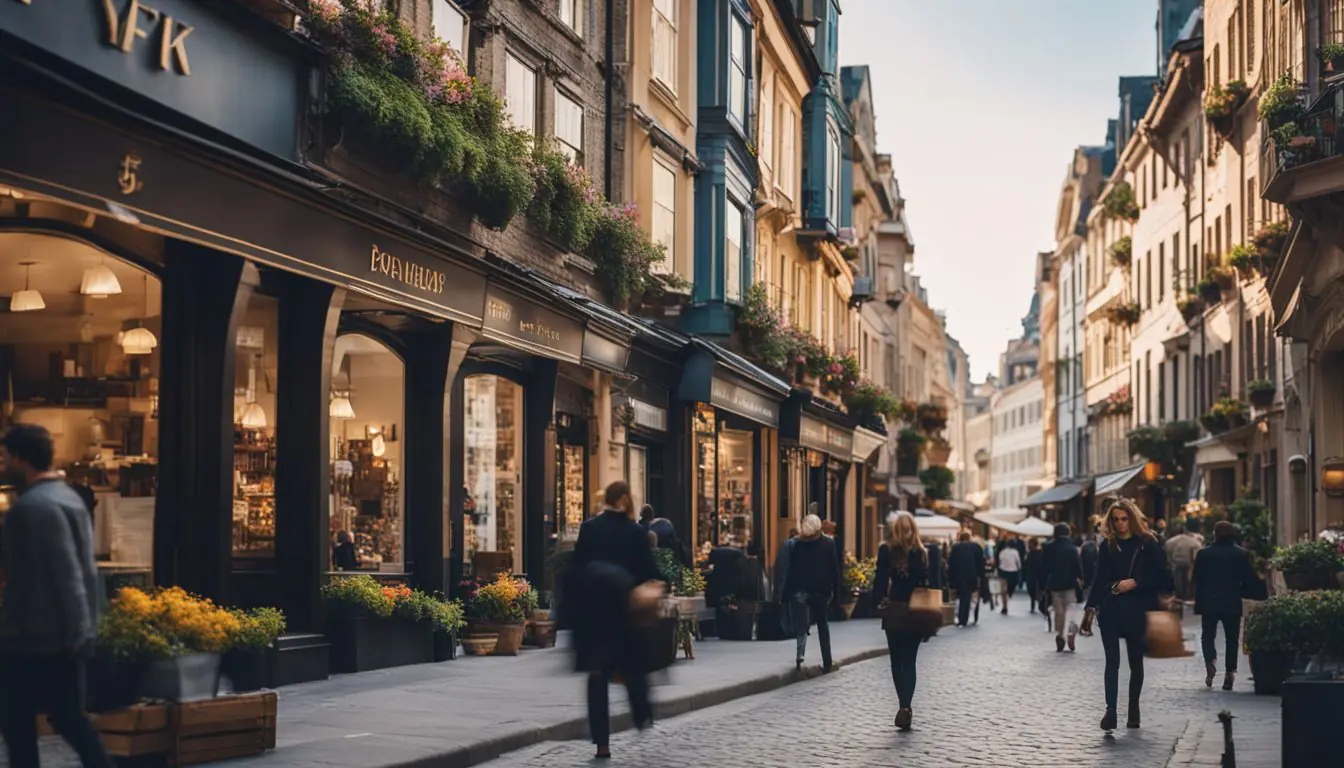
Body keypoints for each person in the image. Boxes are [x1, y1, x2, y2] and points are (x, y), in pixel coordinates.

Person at [0, 424, 114, 768]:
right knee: (67, 718)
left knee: (19, 723)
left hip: (35, 638)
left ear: (21, 458)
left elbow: (67, 577)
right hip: (57, 635)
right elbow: (83, 573)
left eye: (5, 459)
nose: (2, 466)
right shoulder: (66, 498)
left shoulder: (33, 508)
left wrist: (77, 633)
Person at [568, 481, 661, 760]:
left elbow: (577, 568)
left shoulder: (589, 528)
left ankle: (602, 744)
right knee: (633, 670)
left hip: (593, 618)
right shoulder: (635, 532)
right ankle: (642, 716)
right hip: (624, 616)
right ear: (623, 500)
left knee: (597, 679)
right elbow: (649, 572)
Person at [1079, 498, 1166, 731]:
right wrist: (1090, 609)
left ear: (1133, 518)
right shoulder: (1109, 544)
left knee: (1136, 662)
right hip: (1111, 609)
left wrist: (1135, 583)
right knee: (1112, 662)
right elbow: (1099, 578)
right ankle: (1111, 711)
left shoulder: (1148, 543)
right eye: (1115, 519)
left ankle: (1133, 709)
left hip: (1137, 610)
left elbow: (1163, 577)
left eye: (1124, 519)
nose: (1120, 524)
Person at [873, 513, 931, 731]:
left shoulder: (886, 550)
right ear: (914, 529)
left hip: (895, 609)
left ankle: (902, 705)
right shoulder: (922, 553)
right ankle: (906, 707)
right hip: (916, 610)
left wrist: (876, 602)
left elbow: (880, 579)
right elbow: (928, 583)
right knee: (910, 661)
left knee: (896, 660)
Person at [1193, 520, 1256, 691]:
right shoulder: (1241, 554)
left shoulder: (1204, 554)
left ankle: (1210, 662)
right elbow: (1248, 580)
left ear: (1214, 534)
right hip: (1232, 601)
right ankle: (1230, 672)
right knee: (1232, 639)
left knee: (1207, 636)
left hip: (1209, 601)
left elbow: (1196, 579)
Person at [773, 514, 840, 671]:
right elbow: (834, 570)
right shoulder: (828, 544)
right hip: (820, 592)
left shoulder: (796, 544)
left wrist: (785, 592)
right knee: (823, 624)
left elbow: (790, 569)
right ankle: (827, 661)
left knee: (801, 626)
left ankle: (800, 657)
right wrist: (834, 592)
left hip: (800, 591)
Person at [1041, 523, 1084, 652]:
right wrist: (1081, 579)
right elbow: (1077, 567)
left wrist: (1043, 586)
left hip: (1054, 584)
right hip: (1070, 584)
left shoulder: (1048, 548)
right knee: (1070, 611)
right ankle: (1070, 632)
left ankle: (1060, 634)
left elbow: (1044, 568)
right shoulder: (1072, 548)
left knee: (1058, 612)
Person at [947, 530, 985, 627]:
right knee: (970, 597)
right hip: (972, 575)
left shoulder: (956, 548)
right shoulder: (977, 547)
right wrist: (981, 576)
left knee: (963, 596)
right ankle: (969, 617)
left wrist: (951, 578)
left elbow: (951, 564)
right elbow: (981, 564)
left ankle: (962, 618)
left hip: (959, 576)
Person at [1164, 517, 1204, 602]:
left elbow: (1167, 548)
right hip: (1190, 567)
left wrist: (1170, 562)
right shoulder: (1197, 542)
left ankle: (1179, 600)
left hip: (1176, 565)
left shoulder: (1172, 541)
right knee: (1188, 588)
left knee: (1179, 587)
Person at [997, 538, 1022, 614]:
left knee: (1003, 591)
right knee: (1009, 589)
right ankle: (1009, 595)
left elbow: (1000, 561)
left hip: (1003, 572)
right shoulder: (1015, 552)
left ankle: (1005, 606)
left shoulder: (1002, 552)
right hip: (1013, 572)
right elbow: (1018, 563)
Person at [1023, 538, 1043, 614]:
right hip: (1035, 574)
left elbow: (1027, 564)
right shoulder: (1034, 553)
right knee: (1034, 590)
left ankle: (1034, 604)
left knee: (1033, 589)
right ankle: (1035, 603)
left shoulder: (1033, 553)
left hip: (1033, 574)